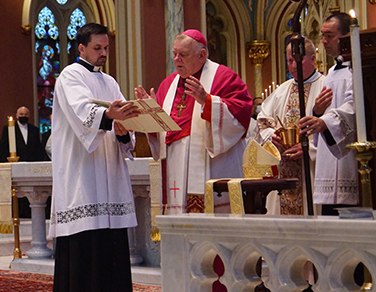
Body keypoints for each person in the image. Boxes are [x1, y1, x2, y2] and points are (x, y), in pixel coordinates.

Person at [50, 22, 140, 292]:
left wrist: (125, 129)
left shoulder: (111, 82)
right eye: (97, 48)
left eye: (106, 48)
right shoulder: (70, 76)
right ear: (82, 48)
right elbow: (81, 112)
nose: (103, 54)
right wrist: (109, 116)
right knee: (88, 235)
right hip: (82, 170)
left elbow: (119, 124)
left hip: (108, 168)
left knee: (109, 237)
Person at [136, 29, 253, 213]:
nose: (176, 59)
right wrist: (150, 114)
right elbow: (161, 133)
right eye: (174, 54)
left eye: (183, 55)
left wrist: (207, 101)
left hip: (212, 167)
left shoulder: (224, 77)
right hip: (175, 169)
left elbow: (241, 114)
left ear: (202, 55)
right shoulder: (168, 84)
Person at [257, 38, 327, 215]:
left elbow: (335, 129)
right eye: (289, 61)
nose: (293, 65)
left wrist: (309, 149)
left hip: (312, 169)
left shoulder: (325, 87)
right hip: (283, 168)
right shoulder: (282, 90)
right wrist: (272, 136)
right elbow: (263, 121)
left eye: (298, 60)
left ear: (313, 58)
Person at [298, 12, 359, 214]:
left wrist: (325, 122)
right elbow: (324, 110)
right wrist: (316, 112)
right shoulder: (332, 72)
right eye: (322, 35)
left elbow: (354, 107)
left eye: (330, 36)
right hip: (328, 158)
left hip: (348, 159)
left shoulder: (357, 69)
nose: (323, 41)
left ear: (347, 36)